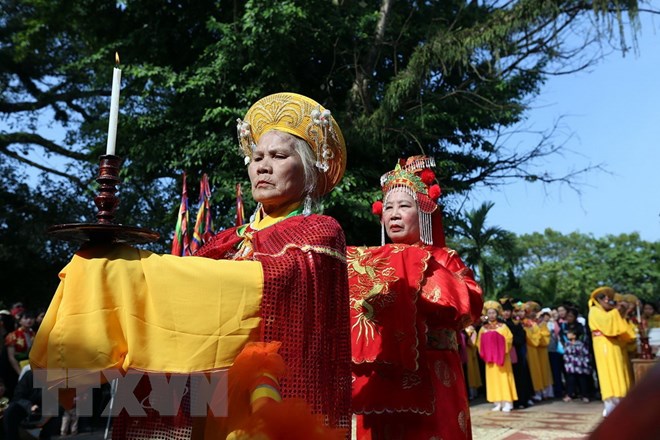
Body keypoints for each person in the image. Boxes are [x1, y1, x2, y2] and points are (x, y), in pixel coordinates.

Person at [30, 92, 351, 439]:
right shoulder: (224, 239)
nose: (263, 165)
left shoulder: (320, 230)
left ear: (307, 169)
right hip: (207, 395)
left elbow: (267, 282)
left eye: (278, 156)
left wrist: (137, 270)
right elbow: (181, 302)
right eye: (257, 156)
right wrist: (123, 269)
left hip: (273, 395)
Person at [349, 156, 483, 439]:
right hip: (384, 371)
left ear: (423, 212)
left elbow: (470, 305)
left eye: (404, 206)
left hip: (433, 369)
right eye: (388, 207)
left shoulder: (444, 258)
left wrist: (420, 268)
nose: (394, 214)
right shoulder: (371, 262)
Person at [588, 286, 635, 417]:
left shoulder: (608, 312)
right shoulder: (595, 311)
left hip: (614, 344)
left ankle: (621, 402)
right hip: (604, 345)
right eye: (602, 297)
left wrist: (622, 312)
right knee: (609, 373)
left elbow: (619, 327)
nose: (607, 299)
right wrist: (617, 310)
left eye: (608, 297)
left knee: (619, 372)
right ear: (596, 300)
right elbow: (607, 325)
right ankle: (611, 407)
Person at [477, 301, 517, 412]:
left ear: (497, 314)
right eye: (489, 313)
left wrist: (501, 350)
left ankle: (508, 402)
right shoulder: (483, 328)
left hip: (502, 358)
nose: (491, 315)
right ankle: (497, 402)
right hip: (490, 360)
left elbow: (509, 339)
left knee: (504, 378)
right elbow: (479, 343)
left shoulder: (503, 326)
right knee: (492, 379)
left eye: (493, 313)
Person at [503, 300, 534, 409]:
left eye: (508, 310)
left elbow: (521, 339)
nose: (506, 313)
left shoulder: (516, 324)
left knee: (519, 376)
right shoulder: (498, 325)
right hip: (502, 356)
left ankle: (521, 400)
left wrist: (510, 341)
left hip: (516, 354)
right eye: (504, 311)